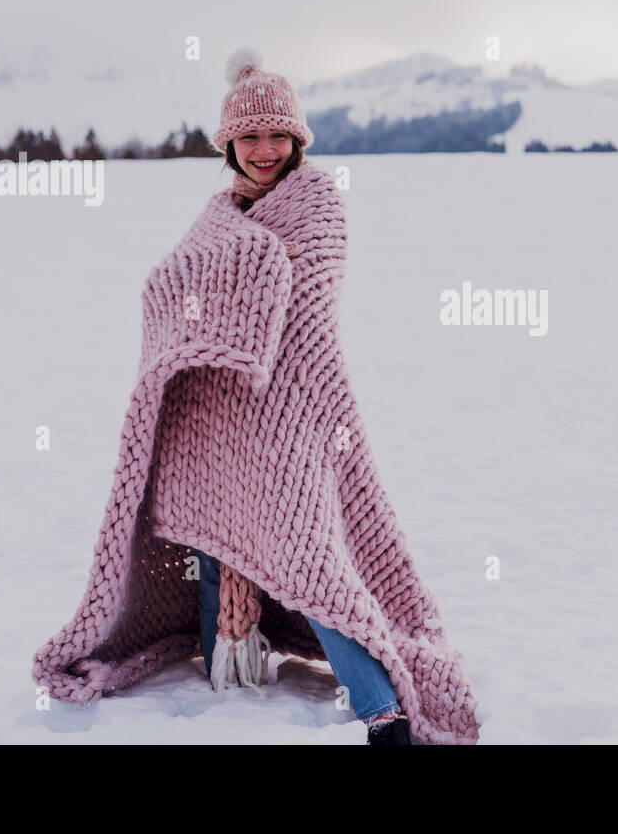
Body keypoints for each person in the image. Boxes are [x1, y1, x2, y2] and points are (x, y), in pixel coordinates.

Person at [200, 48, 410, 745]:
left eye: (277, 135)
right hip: (226, 413)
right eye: (250, 136)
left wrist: (253, 273)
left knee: (307, 552)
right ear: (228, 142)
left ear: (297, 140)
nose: (264, 150)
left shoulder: (317, 200)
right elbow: (186, 302)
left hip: (303, 412)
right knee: (206, 524)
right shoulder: (219, 214)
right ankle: (219, 646)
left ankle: (380, 703)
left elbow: (307, 308)